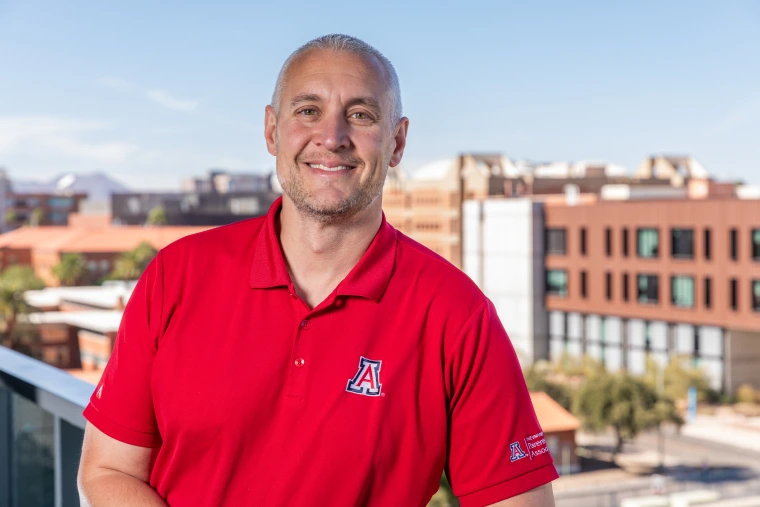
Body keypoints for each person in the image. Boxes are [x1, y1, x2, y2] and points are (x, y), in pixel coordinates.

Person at [77, 34, 558, 507]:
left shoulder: (457, 314)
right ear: (272, 130)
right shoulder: (176, 276)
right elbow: (108, 469)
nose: (332, 138)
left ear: (397, 142)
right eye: (308, 111)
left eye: (361, 115)